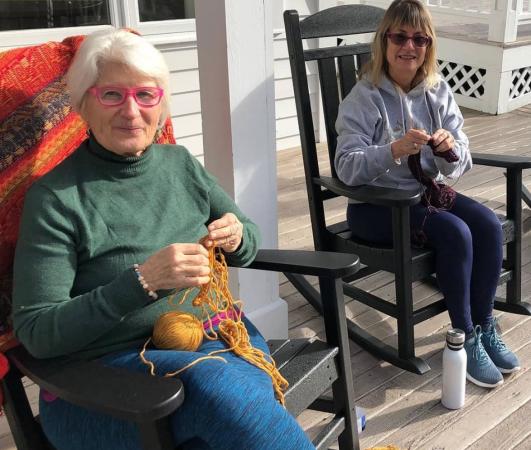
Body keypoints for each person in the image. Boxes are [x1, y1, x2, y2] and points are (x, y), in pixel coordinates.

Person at [12, 28, 315, 450]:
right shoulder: (56, 199)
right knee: (228, 396)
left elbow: (247, 236)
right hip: (101, 386)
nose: (132, 112)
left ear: (162, 104)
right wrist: (142, 281)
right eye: (112, 95)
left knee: (229, 403)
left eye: (145, 95)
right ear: (83, 103)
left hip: (211, 346)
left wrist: (235, 234)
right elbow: (37, 332)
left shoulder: (180, 165)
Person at [335, 0, 520, 389]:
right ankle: (463, 335)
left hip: (424, 196)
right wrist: (393, 150)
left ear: (429, 46)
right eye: (400, 36)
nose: (409, 46)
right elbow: (345, 167)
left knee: (487, 224)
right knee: (455, 232)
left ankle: (485, 323)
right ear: (384, 42)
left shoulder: (437, 91)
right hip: (375, 207)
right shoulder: (364, 97)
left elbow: (461, 161)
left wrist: (450, 150)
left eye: (420, 38)